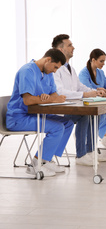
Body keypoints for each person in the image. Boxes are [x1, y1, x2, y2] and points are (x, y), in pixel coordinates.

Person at [6, 48, 74, 177]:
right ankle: (35, 164)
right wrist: (50, 99)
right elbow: (28, 100)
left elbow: (53, 93)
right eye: (55, 67)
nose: (55, 71)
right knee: (57, 127)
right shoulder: (27, 71)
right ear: (48, 60)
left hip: (36, 113)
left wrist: (52, 98)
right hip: (19, 118)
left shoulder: (47, 73)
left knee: (68, 123)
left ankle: (46, 160)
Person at [52, 34, 106, 165]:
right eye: (70, 45)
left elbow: (79, 86)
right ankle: (82, 155)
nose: (73, 47)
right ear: (61, 50)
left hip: (71, 106)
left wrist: (95, 92)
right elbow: (60, 92)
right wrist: (84, 95)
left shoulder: (70, 68)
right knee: (85, 115)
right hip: (59, 109)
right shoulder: (55, 69)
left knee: (92, 115)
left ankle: (90, 152)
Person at [79, 48, 106, 148]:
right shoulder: (84, 73)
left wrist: (104, 90)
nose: (104, 63)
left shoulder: (100, 72)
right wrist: (102, 90)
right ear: (93, 60)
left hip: (100, 101)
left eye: (104, 61)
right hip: (87, 103)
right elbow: (87, 90)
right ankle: (89, 138)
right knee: (102, 116)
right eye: (101, 61)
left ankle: (99, 136)